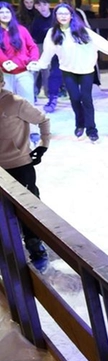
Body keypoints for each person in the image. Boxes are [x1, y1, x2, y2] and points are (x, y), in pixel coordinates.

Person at [29, 4, 108, 144]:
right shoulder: (52, 33)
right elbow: (47, 53)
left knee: (87, 100)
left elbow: (102, 44)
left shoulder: (83, 31)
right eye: (60, 14)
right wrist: (39, 65)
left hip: (86, 71)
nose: (63, 16)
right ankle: (80, 124)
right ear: (56, 17)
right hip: (68, 70)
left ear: (71, 15)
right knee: (75, 99)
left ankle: (92, 130)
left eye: (66, 14)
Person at [0, 78, 52, 270]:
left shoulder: (15, 102)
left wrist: (43, 145)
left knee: (27, 208)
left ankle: (34, 244)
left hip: (19, 165)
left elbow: (43, 119)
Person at [0, 2, 41, 130]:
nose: (5, 15)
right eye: (1, 12)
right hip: (5, 74)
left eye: (7, 12)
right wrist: (4, 61)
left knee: (27, 103)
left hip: (24, 72)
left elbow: (32, 46)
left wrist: (34, 60)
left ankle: (32, 132)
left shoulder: (21, 29)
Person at [28, 0, 60, 113]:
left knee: (50, 71)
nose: (42, 7)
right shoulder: (36, 20)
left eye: (44, 4)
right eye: (39, 5)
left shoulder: (55, 16)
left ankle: (50, 94)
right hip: (40, 45)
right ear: (36, 6)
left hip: (56, 45)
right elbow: (33, 36)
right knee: (38, 70)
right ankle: (33, 93)